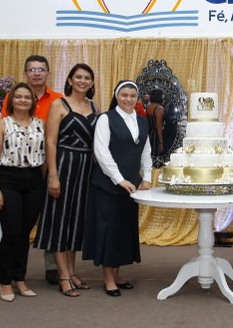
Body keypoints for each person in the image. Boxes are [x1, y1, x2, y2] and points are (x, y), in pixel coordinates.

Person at [83, 80, 152, 297]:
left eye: (132, 95)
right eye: (124, 95)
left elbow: (145, 152)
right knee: (108, 232)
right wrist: (118, 179)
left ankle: (117, 274)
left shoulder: (142, 121)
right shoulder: (106, 118)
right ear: (116, 96)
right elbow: (101, 152)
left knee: (122, 231)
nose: (128, 99)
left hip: (131, 187)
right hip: (107, 186)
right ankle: (108, 279)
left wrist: (147, 177)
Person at [34, 63, 98, 297]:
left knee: (75, 222)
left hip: (85, 168)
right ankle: (62, 276)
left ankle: (71, 272)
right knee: (59, 221)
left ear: (92, 83)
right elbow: (50, 142)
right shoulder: (58, 104)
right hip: (63, 165)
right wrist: (52, 175)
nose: (82, 81)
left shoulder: (94, 107)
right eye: (78, 77)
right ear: (70, 80)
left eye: (87, 78)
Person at [1, 55, 64, 286]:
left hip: (52, 165)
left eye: (41, 69)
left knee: (53, 216)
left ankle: (52, 266)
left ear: (48, 73)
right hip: (20, 170)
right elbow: (5, 129)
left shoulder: (58, 99)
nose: (36, 73)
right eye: (32, 69)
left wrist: (53, 172)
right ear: (26, 73)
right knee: (18, 226)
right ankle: (13, 276)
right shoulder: (14, 97)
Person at [0, 83, 46, 302]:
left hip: (34, 181)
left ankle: (19, 278)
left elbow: (45, 156)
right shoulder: (2, 124)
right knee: (11, 232)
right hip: (8, 180)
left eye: (27, 97)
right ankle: (5, 281)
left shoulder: (41, 124)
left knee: (24, 233)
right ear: (11, 100)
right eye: (18, 97)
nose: (23, 100)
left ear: (33, 101)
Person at [146, 89, 165, 157]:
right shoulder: (159, 108)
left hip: (149, 132)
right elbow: (159, 126)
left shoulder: (148, 106)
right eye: (162, 95)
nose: (163, 97)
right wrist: (161, 141)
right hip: (156, 135)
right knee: (156, 154)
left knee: (149, 153)